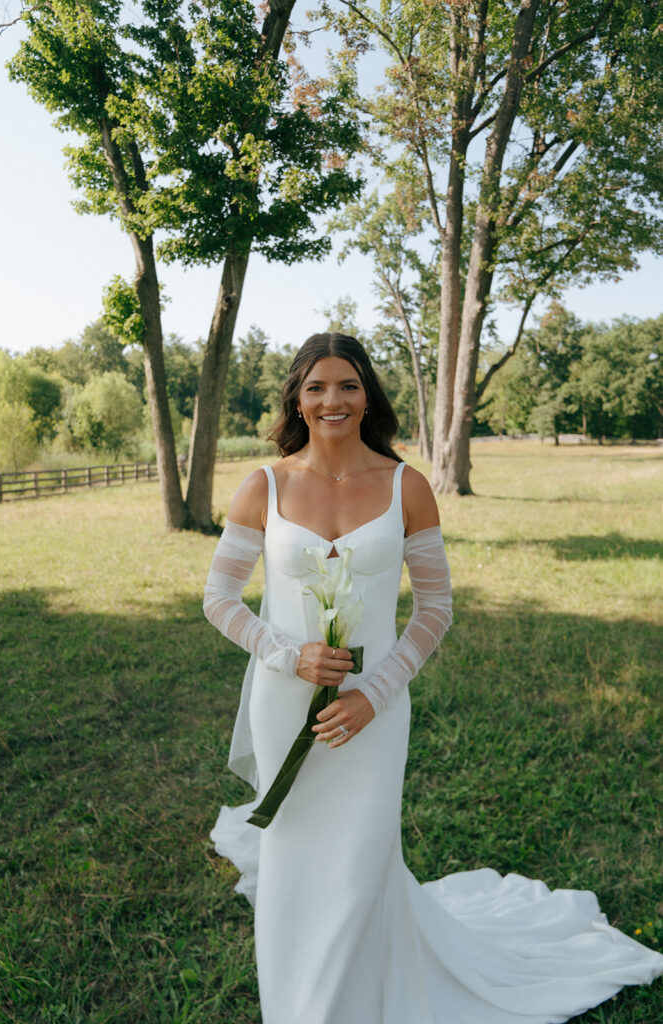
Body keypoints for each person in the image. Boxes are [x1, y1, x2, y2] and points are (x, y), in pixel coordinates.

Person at [204, 333, 662, 1024]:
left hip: (373, 709)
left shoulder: (404, 485)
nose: (333, 400)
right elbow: (219, 599)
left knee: (360, 859)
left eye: (348, 385)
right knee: (294, 859)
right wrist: (284, 653)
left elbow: (435, 607)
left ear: (368, 396)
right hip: (284, 702)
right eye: (317, 387)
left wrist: (373, 694)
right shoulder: (262, 485)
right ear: (296, 398)